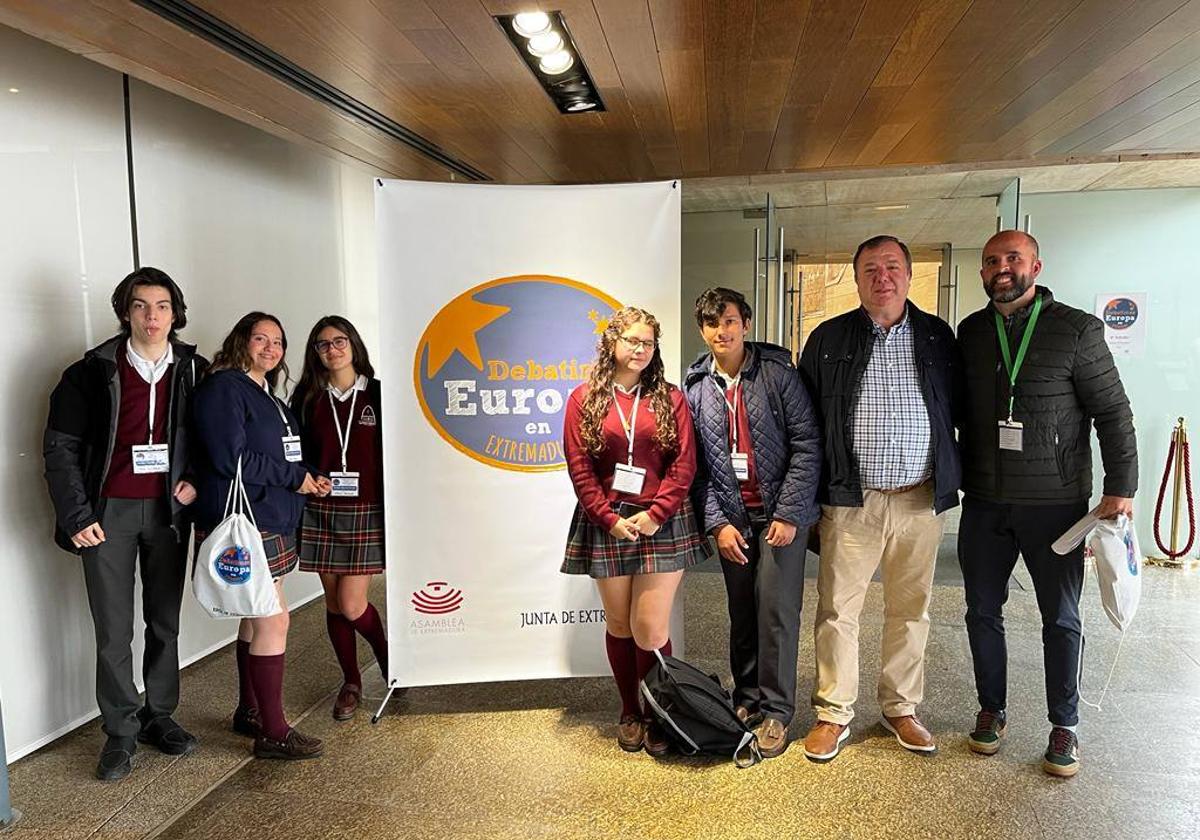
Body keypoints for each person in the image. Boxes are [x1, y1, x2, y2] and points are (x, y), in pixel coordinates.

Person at [956, 230, 1137, 778]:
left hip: (1055, 505)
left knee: (1060, 617)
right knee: (981, 611)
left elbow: (1113, 412)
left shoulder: (1077, 330)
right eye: (992, 260)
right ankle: (991, 709)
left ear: (1036, 266)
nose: (1002, 268)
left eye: (1013, 258)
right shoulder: (972, 332)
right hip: (985, 502)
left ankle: (1065, 724)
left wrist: (1121, 488)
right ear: (982, 272)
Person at [798, 235, 961, 763]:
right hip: (852, 501)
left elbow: (959, 408)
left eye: (892, 266)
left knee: (911, 609)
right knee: (837, 610)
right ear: (857, 279)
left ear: (909, 275)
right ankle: (833, 712)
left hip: (919, 499)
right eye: (870, 268)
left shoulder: (938, 337)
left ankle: (900, 707)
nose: (882, 276)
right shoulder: (827, 338)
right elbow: (807, 423)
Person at [44, 267, 208, 781]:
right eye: (140, 306)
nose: (151, 316)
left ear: (175, 314)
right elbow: (60, 448)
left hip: (168, 512)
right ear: (125, 312)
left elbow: (217, 439)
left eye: (162, 306)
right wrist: (76, 514)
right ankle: (120, 730)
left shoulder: (196, 371)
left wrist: (196, 480)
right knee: (113, 630)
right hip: (107, 512)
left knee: (164, 621)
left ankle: (160, 716)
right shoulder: (90, 372)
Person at [561, 306, 708, 756]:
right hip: (608, 521)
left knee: (649, 628)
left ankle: (660, 712)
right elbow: (580, 468)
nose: (641, 349)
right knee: (621, 623)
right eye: (632, 340)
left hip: (661, 521)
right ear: (612, 343)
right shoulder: (583, 399)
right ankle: (631, 711)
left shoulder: (670, 398)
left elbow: (684, 463)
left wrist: (657, 513)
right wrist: (608, 518)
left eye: (648, 342)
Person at [683, 288, 822, 758]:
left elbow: (807, 444)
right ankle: (747, 698)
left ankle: (777, 711)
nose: (721, 331)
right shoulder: (696, 387)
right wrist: (717, 523)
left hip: (780, 516)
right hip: (733, 518)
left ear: (745, 323)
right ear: (702, 330)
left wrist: (789, 513)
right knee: (742, 610)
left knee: (776, 611)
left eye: (729, 321)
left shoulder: (778, 374)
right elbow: (697, 468)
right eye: (711, 323)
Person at [192, 312, 331, 760]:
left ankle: (249, 710)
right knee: (274, 619)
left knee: (256, 616)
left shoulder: (269, 395)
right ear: (241, 341)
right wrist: (294, 478)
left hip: (273, 517)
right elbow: (229, 459)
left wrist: (309, 474)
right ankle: (273, 731)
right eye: (261, 339)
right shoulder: (224, 388)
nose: (271, 348)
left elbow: (283, 454)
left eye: (278, 341)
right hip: (249, 520)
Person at [291, 316, 388, 721]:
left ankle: (390, 659)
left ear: (353, 345)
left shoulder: (379, 394)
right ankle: (351, 682)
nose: (332, 350)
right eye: (323, 344)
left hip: (367, 508)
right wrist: (308, 476)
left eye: (339, 341)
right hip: (321, 508)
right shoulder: (307, 397)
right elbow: (295, 452)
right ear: (315, 353)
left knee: (352, 603)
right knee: (334, 603)